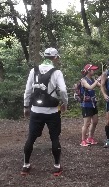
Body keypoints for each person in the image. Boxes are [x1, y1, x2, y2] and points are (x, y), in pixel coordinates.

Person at [21, 47, 68, 176]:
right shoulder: (57, 72)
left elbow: (28, 90)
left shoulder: (34, 71)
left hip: (36, 109)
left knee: (31, 137)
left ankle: (26, 165)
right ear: (55, 58)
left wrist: (26, 107)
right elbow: (63, 90)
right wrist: (65, 103)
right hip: (52, 110)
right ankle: (57, 166)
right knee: (54, 138)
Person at [78, 64, 101, 146]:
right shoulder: (83, 80)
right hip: (86, 104)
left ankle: (90, 138)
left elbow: (100, 86)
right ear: (88, 71)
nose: (94, 71)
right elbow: (90, 87)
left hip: (93, 103)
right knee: (87, 123)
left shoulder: (92, 79)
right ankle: (83, 140)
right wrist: (97, 80)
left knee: (95, 121)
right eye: (92, 70)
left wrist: (102, 79)